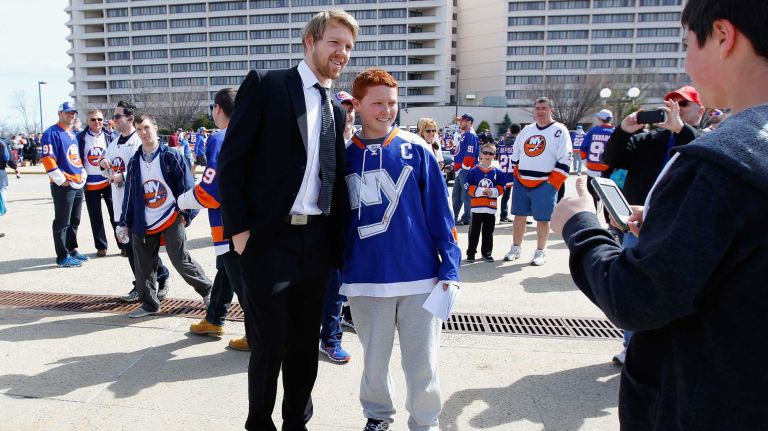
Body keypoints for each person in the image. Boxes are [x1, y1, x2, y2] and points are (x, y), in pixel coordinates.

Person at [551, 0, 768, 427]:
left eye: (687, 43)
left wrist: (580, 225)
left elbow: (637, 298)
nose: (685, 61)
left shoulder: (718, 161)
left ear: (723, 37)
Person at [217, 10, 358, 430]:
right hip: (268, 240)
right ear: (310, 41)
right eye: (335, 42)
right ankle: (259, 422)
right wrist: (240, 231)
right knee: (269, 344)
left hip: (315, 242)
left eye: (348, 47)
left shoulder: (335, 107)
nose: (342, 53)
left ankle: (297, 421)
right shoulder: (267, 85)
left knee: (303, 346)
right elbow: (232, 161)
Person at [342, 68, 460, 431]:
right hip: (365, 279)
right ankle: (378, 416)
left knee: (422, 361)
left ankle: (425, 422)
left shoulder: (418, 150)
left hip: (419, 276)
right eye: (377, 102)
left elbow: (441, 213)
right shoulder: (342, 157)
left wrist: (450, 269)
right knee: (374, 362)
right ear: (357, 104)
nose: (386, 110)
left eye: (392, 102)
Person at [602, 87, 703, 364]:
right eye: (671, 104)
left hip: (683, 229)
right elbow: (610, 159)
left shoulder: (704, 142)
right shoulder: (649, 140)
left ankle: (670, 352)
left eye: (683, 104)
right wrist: (624, 130)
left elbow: (696, 152)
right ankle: (631, 347)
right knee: (634, 288)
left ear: (699, 110)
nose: (676, 108)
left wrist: (680, 129)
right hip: (640, 226)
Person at [118, 113, 212, 318]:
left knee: (180, 259)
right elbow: (130, 195)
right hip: (143, 220)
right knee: (143, 264)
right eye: (139, 129)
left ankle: (207, 290)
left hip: (171, 215)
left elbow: (188, 188)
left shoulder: (171, 155)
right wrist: (123, 222)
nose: (144, 133)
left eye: (147, 128)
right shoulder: (134, 162)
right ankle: (150, 303)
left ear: (155, 127)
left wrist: (186, 215)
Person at [180, 89, 250, 351]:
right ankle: (214, 317)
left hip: (229, 225)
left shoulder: (219, 137)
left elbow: (210, 191)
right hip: (248, 220)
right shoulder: (250, 132)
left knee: (240, 280)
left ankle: (257, 334)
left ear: (218, 109)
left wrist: (182, 201)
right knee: (225, 269)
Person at [100, 101, 171, 301]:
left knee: (142, 248)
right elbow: (108, 169)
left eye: (117, 116)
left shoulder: (139, 142)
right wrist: (103, 165)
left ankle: (157, 279)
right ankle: (142, 283)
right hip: (118, 203)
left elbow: (145, 171)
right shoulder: (113, 144)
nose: (113, 120)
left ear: (130, 119)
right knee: (129, 248)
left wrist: (122, 176)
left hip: (137, 205)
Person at [504, 97, 572, 266]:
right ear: (533, 111)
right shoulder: (527, 130)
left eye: (544, 108)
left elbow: (565, 159)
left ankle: (540, 251)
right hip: (522, 181)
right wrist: (517, 174)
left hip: (545, 182)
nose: (540, 111)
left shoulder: (560, 130)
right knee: (519, 217)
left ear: (551, 110)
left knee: (543, 219)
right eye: (537, 108)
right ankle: (515, 248)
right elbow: (516, 153)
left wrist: (553, 183)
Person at [318, 90, 358, 364]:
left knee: (346, 285)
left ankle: (348, 320)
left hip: (357, 229)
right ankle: (330, 339)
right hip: (325, 226)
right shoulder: (322, 143)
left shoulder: (360, 145)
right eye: (340, 109)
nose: (346, 115)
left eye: (350, 108)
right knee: (330, 286)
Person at [41, 102, 89, 268]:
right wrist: (62, 180)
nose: (71, 115)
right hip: (63, 185)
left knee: (75, 220)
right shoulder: (51, 133)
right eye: (68, 112)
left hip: (77, 183)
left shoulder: (72, 134)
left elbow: (76, 158)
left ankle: (71, 249)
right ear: (60, 113)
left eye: (73, 113)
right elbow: (48, 159)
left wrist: (82, 173)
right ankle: (62, 256)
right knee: (62, 221)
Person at [77, 109, 115, 257]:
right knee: (95, 217)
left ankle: (123, 244)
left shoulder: (110, 135)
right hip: (90, 184)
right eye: (93, 119)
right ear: (88, 121)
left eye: (100, 119)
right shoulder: (80, 137)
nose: (97, 122)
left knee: (115, 215)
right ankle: (101, 246)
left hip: (108, 181)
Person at [465, 142, 506, 263]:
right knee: (474, 232)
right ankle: (471, 253)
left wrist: (493, 191)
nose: (488, 155)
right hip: (477, 207)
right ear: (481, 154)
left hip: (490, 207)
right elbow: (467, 185)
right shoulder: (473, 171)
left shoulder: (497, 172)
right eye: (485, 152)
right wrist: (479, 190)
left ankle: (487, 253)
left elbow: (502, 187)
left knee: (488, 232)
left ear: (495, 155)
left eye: (491, 153)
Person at [581, 109, 616, 208]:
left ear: (601, 119)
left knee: (591, 200)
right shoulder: (614, 132)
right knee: (609, 201)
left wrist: (585, 163)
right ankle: (609, 221)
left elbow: (583, 149)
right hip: (608, 170)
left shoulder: (593, 130)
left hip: (592, 169)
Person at [451, 113, 479, 226]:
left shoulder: (470, 135)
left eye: (462, 121)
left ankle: (468, 218)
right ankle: (454, 217)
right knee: (456, 195)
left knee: (465, 195)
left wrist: (464, 168)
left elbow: (470, 154)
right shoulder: (464, 134)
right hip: (460, 170)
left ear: (469, 122)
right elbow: (458, 151)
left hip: (465, 170)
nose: (459, 123)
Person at [498, 123, 520, 222]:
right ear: (519, 131)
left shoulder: (502, 142)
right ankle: (519, 216)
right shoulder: (517, 142)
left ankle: (503, 215)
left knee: (505, 196)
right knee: (519, 196)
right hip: (514, 172)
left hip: (503, 171)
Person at [0, 136, 20, 238]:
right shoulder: (2, 143)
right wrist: (15, 167)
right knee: (2, 192)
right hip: (0, 171)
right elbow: (8, 158)